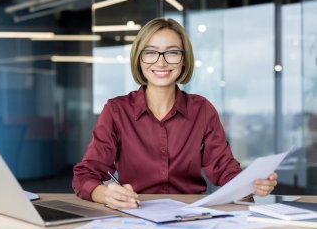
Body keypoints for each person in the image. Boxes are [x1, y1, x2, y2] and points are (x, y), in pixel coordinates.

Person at [72, 18, 277, 209]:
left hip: (191, 216)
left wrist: (252, 185)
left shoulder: (202, 110)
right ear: (139, 59)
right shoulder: (116, 111)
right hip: (134, 214)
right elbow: (84, 176)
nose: (161, 63)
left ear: (184, 60)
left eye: (172, 52)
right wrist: (104, 193)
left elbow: (225, 172)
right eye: (151, 52)